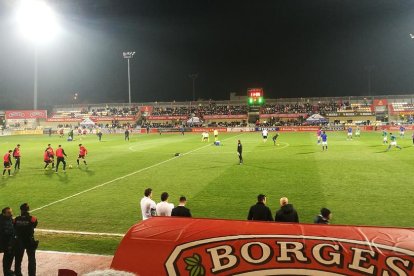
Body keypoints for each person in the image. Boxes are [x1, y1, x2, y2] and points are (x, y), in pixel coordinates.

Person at [14, 203, 38, 276]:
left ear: (21, 210)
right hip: (29, 240)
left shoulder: (16, 219)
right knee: (31, 259)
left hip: (19, 241)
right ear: (28, 209)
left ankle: (18, 274)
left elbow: (14, 227)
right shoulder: (33, 219)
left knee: (18, 259)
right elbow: (35, 225)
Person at [0, 207, 15, 276]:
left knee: (10, 255)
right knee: (7, 256)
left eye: (11, 212)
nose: (11, 214)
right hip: (5, 242)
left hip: (10, 241)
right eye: (9, 213)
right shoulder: (2, 221)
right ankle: (6, 272)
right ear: (4, 214)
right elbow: (6, 232)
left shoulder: (9, 218)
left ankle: (7, 270)